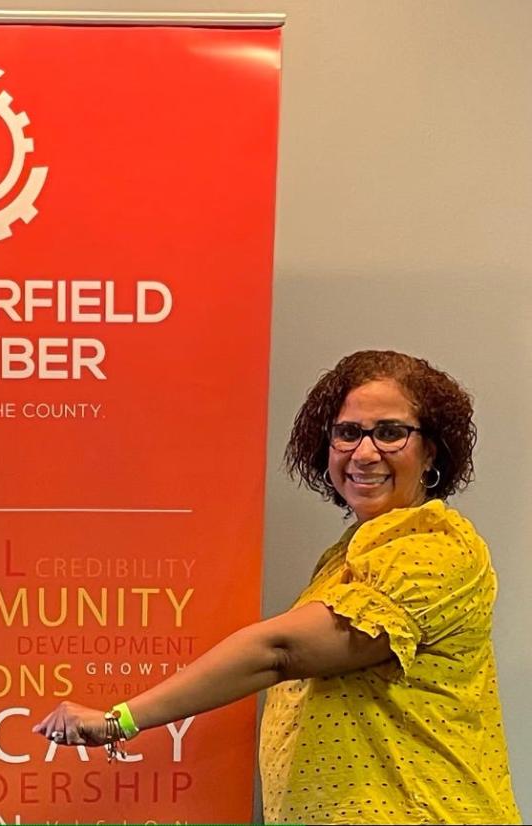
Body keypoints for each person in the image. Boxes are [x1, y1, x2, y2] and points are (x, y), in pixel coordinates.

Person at [34, 350, 521, 825]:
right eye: (348, 433)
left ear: (431, 449)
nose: (365, 452)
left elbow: (278, 650)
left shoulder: (434, 548)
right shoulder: (350, 556)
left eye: (391, 433)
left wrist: (117, 720)